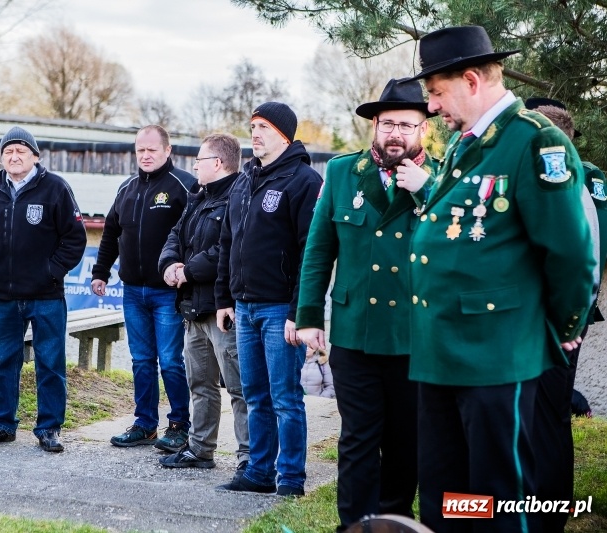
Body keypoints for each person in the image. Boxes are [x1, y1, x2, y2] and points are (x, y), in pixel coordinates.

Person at [406, 26, 595, 532]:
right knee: (448, 491)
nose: (432, 106)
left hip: (496, 351)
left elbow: (571, 253)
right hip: (443, 350)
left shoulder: (533, 141)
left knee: (498, 492)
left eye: (436, 92)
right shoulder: (467, 146)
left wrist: (558, 326)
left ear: (471, 80)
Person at [296, 78, 437, 530]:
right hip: (355, 331)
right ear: (374, 126)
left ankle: (394, 521)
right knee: (357, 437)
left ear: (423, 131)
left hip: (414, 335)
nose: (396, 133)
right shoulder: (341, 172)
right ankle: (354, 525)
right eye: (388, 123)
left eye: (407, 125)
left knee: (405, 439)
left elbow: (462, 248)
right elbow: (319, 250)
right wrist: (308, 317)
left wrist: (427, 191)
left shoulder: (444, 177)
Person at [215, 102, 323, 497]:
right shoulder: (243, 181)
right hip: (244, 307)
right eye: (252, 126)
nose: (255, 133)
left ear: (285, 134)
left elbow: (311, 252)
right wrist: (224, 297)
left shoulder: (303, 181)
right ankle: (259, 473)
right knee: (255, 394)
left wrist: (300, 312)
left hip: (281, 310)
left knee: (285, 398)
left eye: (263, 127)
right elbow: (227, 241)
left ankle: (290, 478)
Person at [0, 126, 87, 453]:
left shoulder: (55, 188)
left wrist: (50, 272)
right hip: (4, 298)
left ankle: (49, 428)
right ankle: (2, 424)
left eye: (21, 150)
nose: (14, 155)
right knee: (3, 360)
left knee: (50, 363)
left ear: (35, 156)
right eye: (8, 151)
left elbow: (75, 239)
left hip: (46, 296)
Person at [91, 125, 198, 452]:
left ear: (168, 151)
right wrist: (101, 272)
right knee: (141, 360)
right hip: (133, 292)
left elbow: (198, 232)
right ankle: (145, 424)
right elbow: (111, 234)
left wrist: (187, 273)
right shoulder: (127, 188)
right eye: (141, 150)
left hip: (167, 293)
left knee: (169, 360)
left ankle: (179, 425)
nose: (146, 155)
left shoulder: (184, 186)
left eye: (152, 149)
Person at [524, 97, 603, 533]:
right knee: (549, 420)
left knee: (544, 420)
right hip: (558, 323)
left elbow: (577, 266)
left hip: (551, 326)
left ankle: (543, 514)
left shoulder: (565, 188)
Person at [157, 133, 250, 474]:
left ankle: (249, 459)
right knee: (200, 383)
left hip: (220, 309)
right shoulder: (198, 196)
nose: (194, 165)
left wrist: (187, 271)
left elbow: (228, 248)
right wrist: (169, 265)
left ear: (218, 163)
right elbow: (174, 235)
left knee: (239, 387)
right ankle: (200, 449)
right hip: (192, 308)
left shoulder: (239, 197)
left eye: (199, 159)